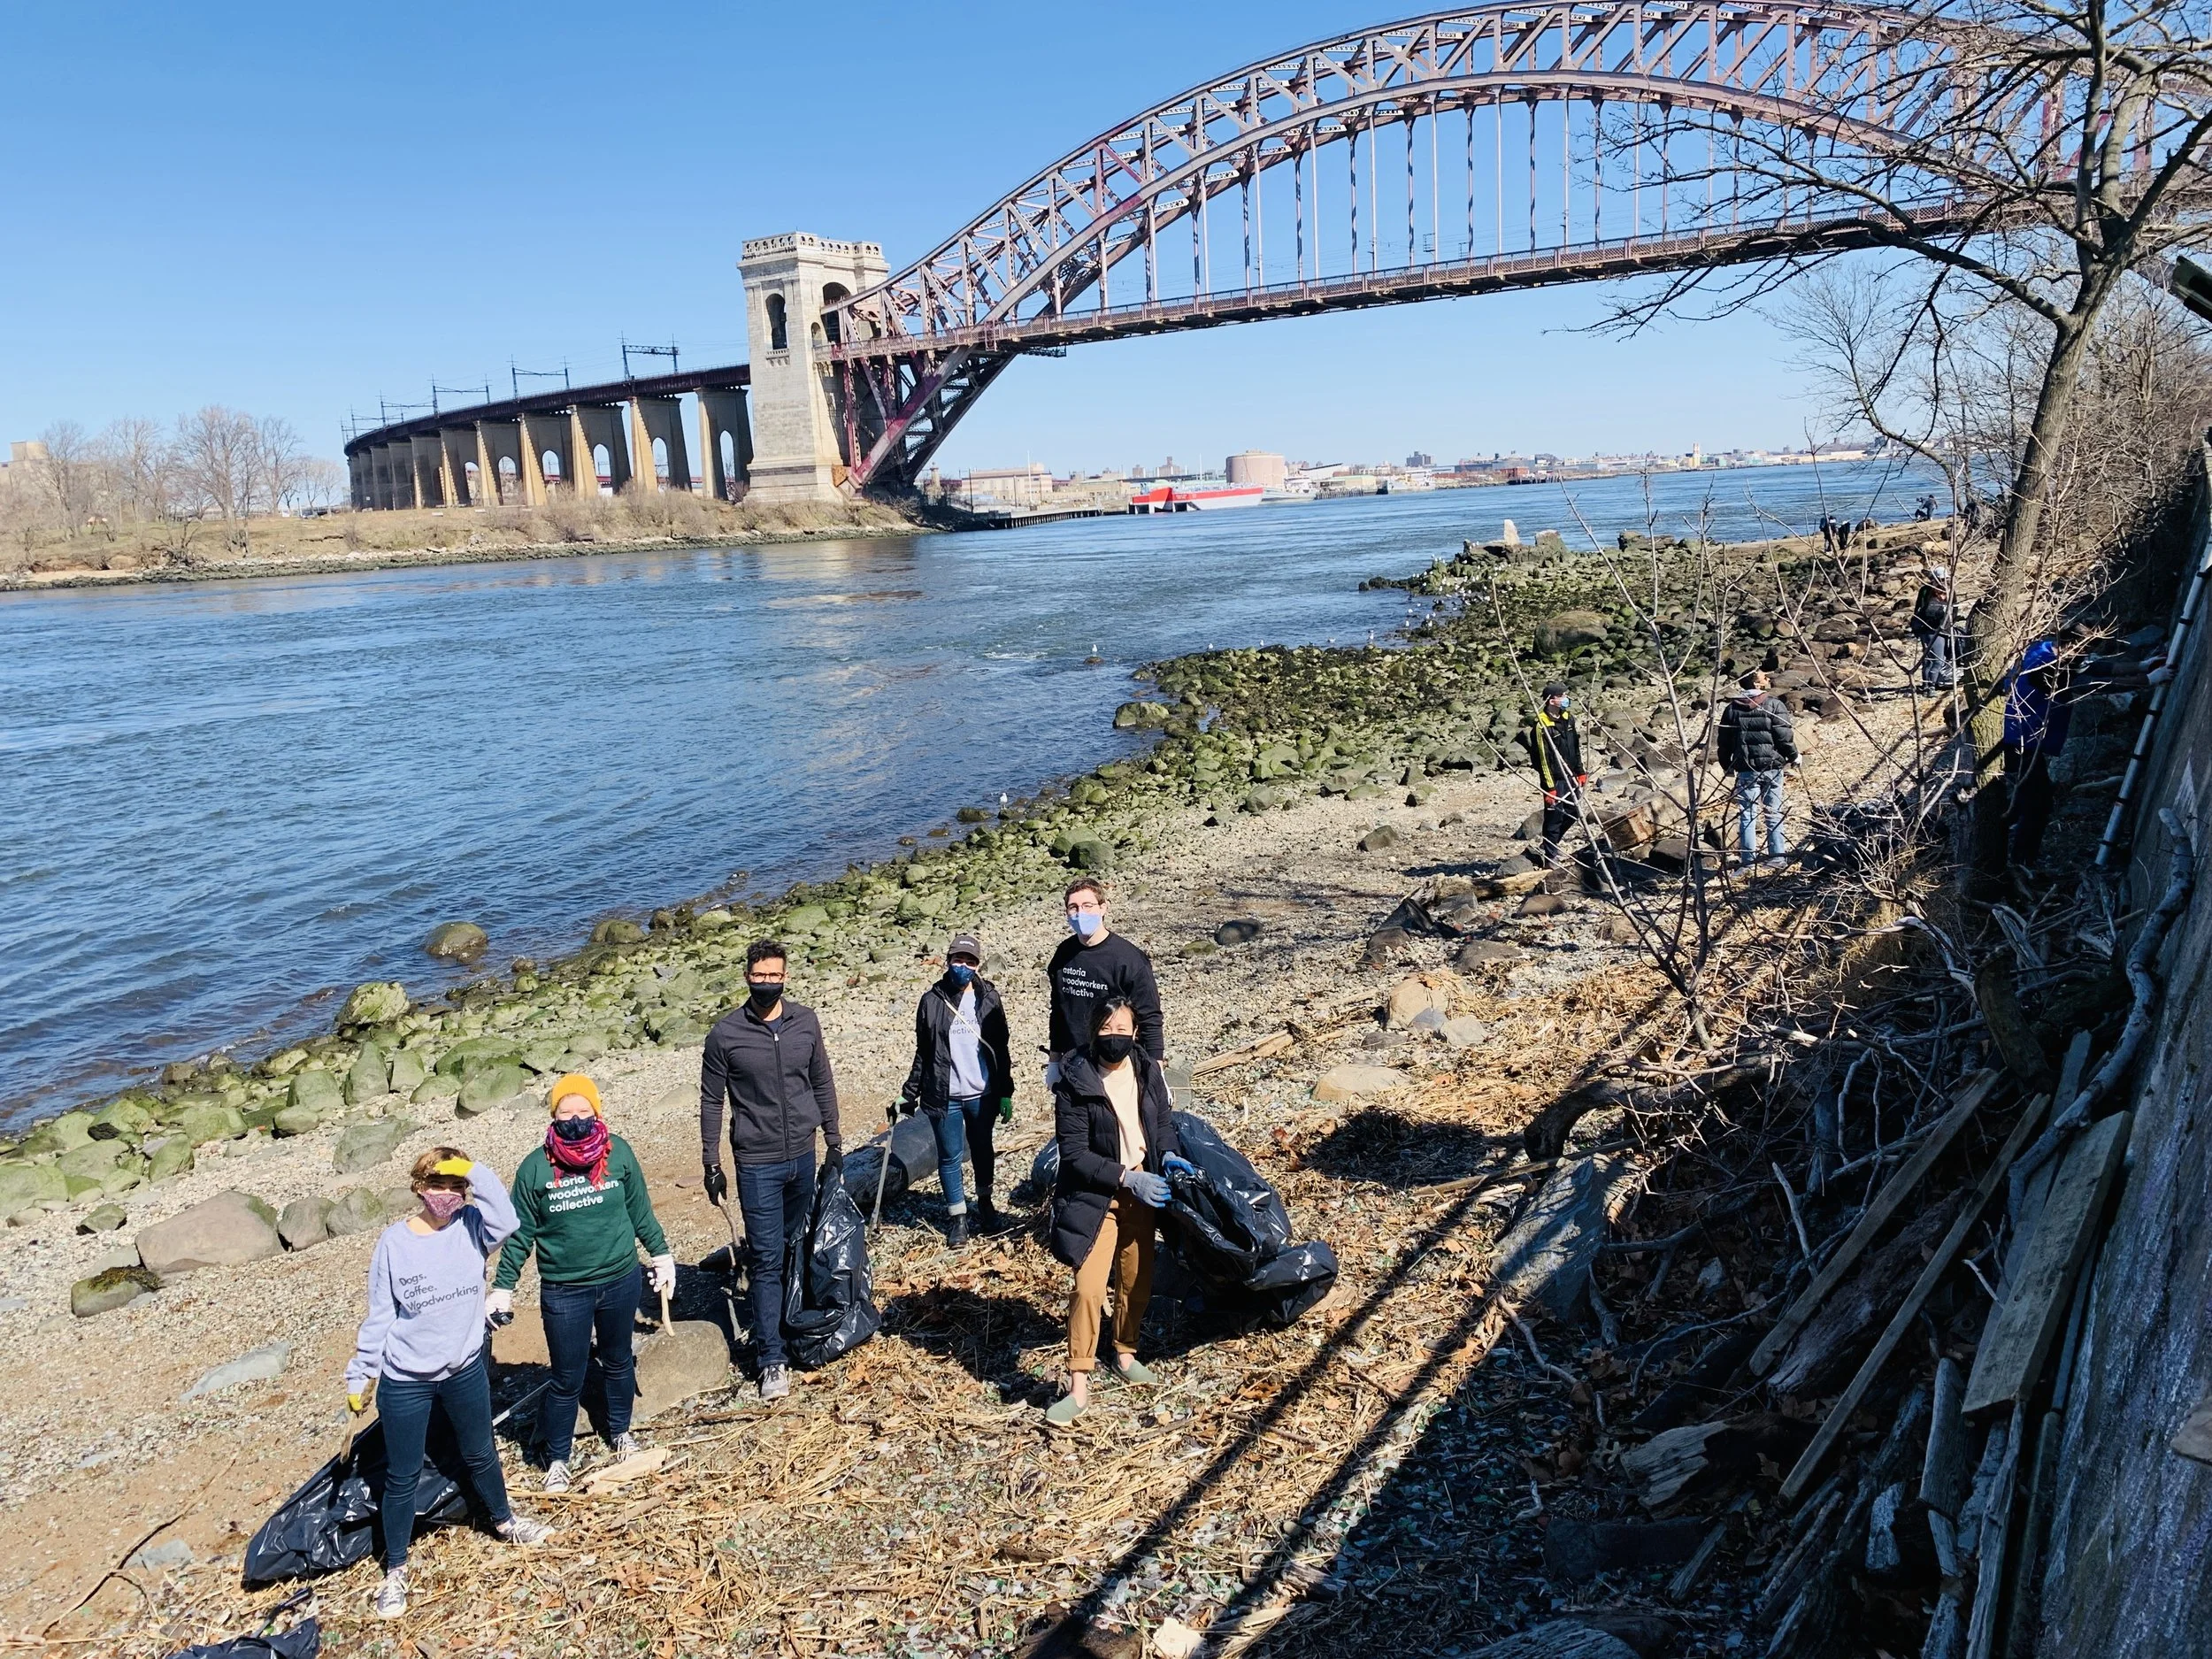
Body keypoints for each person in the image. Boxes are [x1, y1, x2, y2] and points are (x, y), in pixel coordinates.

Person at [345, 1148, 550, 1619]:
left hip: (463, 1369)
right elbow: (381, 1314)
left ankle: (505, 1521)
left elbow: (510, 1219)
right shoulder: (394, 1243)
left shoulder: (474, 1226)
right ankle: (395, 1569)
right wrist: (362, 1374)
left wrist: (473, 1169)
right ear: (419, 1189)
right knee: (402, 1475)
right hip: (406, 1379)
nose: (447, 1196)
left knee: (480, 1452)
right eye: (438, 1186)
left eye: (456, 1187)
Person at [489, 1074, 674, 1492]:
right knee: (566, 1376)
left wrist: (662, 1256)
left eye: (583, 1111)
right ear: (553, 1116)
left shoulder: (618, 1154)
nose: (575, 1119)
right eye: (565, 1112)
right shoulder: (536, 1168)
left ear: (597, 1112)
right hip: (564, 1289)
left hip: (620, 1279)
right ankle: (558, 1456)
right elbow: (520, 1235)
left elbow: (640, 1211)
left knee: (618, 1360)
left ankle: (621, 1432)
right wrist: (503, 1287)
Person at [700, 938, 843, 1402]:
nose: (767, 983)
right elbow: (711, 1101)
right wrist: (711, 1162)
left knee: (796, 1247)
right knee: (764, 1259)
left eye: (774, 976)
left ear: (785, 977)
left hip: (802, 1155)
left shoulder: (805, 1022)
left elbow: (821, 1080)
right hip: (757, 1162)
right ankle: (771, 1359)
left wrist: (834, 1141)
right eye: (759, 976)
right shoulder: (725, 1035)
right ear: (747, 976)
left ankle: (795, 1324)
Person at [1043, 998, 1190, 1427]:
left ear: (1136, 1031)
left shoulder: (1146, 1071)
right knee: (1088, 1288)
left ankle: (1125, 1353)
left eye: (1122, 1028)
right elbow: (1073, 1155)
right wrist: (1127, 1177)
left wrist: (1171, 1158)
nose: (1115, 1036)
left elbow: (1161, 1124)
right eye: (1106, 1028)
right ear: (1094, 1031)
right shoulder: (1075, 1081)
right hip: (1096, 1196)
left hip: (1144, 1190)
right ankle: (1079, 1383)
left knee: (1136, 1278)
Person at [898, 931, 1015, 1246]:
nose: (963, 966)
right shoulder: (931, 1001)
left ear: (977, 965)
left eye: (970, 961)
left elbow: (1000, 1048)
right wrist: (908, 1093)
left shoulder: (989, 997)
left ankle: (986, 1204)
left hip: (982, 1092)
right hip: (943, 1093)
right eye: (958, 960)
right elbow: (923, 1051)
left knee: (981, 1149)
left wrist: (1006, 1090)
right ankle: (958, 1218)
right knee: (949, 1156)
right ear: (948, 961)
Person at [1047, 878, 1164, 1071]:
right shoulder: (1063, 954)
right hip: (1074, 1062)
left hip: (1118, 1063)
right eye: (1073, 907)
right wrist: (1054, 1061)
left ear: (1103, 908)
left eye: (1088, 906)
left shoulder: (1129, 960)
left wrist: (1156, 1071)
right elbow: (1059, 1012)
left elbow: (1150, 1019)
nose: (1080, 913)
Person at [1717, 670, 1798, 867]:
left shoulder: (1732, 709)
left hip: (1746, 768)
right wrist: (1794, 756)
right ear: (1757, 684)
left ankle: (1747, 862)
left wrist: (1726, 765)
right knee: (1773, 812)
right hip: (1772, 765)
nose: (1769, 679)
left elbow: (1724, 742)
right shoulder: (1774, 705)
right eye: (1764, 677)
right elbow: (1783, 736)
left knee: (1747, 815)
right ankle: (1777, 857)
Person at [1517, 684, 1586, 868]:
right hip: (1554, 778)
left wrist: (1580, 771)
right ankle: (1550, 855)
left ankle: (1550, 844)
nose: (1564, 698)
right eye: (1560, 695)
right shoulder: (1541, 726)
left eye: (1565, 694)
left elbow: (1576, 747)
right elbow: (1543, 759)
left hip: (1571, 774)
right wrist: (1550, 788)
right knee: (1554, 817)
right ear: (1550, 700)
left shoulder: (1568, 718)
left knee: (1574, 812)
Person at [1911, 567, 1958, 689]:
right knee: (1933, 660)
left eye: (1944, 579)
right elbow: (1919, 610)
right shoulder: (1926, 591)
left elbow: (1954, 609)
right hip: (1928, 629)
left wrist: (1948, 625)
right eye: (1941, 579)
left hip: (1942, 630)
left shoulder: (1950, 591)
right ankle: (1929, 685)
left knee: (1933, 659)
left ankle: (1928, 684)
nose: (1942, 582)